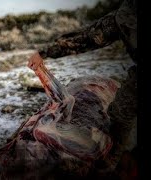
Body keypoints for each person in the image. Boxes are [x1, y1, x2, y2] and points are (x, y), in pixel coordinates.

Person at [28, 0, 137, 174]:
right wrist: (45, 52)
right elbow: (89, 37)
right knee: (121, 113)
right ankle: (114, 161)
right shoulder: (125, 14)